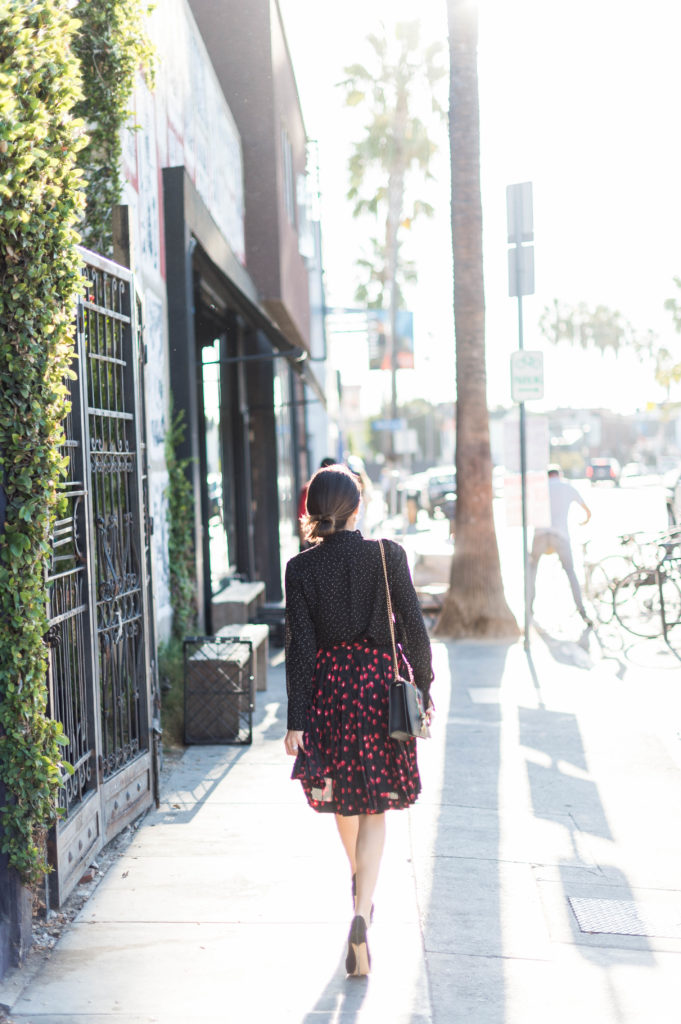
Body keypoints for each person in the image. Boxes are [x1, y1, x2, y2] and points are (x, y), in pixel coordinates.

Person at [284, 464, 433, 976]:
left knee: (344, 794)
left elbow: (300, 648)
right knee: (376, 806)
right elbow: (414, 628)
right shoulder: (386, 555)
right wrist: (426, 689)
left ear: (311, 511)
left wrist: (297, 718)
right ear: (357, 507)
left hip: (331, 692)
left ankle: (359, 890)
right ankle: (362, 908)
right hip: (378, 689)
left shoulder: (300, 569)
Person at [527, 465, 593, 625]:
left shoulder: (540, 488)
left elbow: (529, 511)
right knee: (570, 572)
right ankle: (582, 611)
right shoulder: (567, 487)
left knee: (532, 570)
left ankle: (528, 609)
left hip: (540, 534)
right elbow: (587, 511)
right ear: (559, 475)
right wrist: (583, 521)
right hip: (561, 535)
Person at [297, 457, 336, 550]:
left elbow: (301, 517)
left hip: (313, 537)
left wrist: (302, 543)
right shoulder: (336, 490)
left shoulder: (308, 488)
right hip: (323, 537)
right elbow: (302, 516)